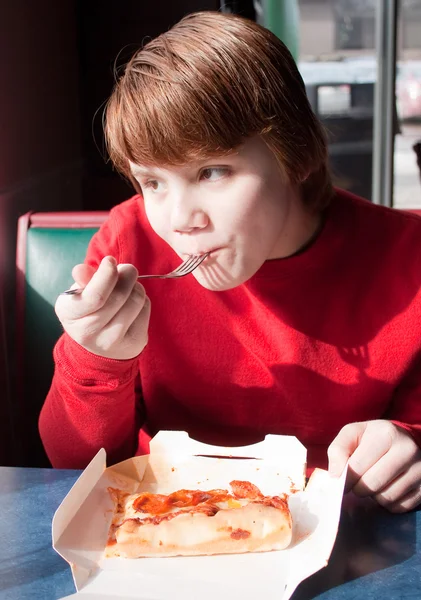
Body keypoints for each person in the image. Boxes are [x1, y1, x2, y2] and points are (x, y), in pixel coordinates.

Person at [39, 11, 421, 513]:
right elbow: (70, 466)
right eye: (152, 182)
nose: (179, 219)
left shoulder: (406, 259)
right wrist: (94, 357)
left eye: (212, 171)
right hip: (164, 526)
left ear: (297, 155)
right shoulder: (127, 241)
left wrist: (409, 448)